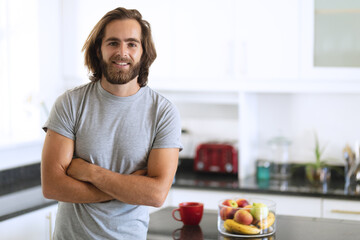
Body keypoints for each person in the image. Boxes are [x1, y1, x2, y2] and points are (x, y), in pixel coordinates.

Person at [41, 7, 182, 240]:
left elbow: (156, 195)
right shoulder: (70, 103)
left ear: (144, 52)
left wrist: (90, 172)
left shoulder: (163, 112)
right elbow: (53, 187)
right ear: (99, 49)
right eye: (113, 43)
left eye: (132, 44)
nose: (122, 52)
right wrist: (130, 188)